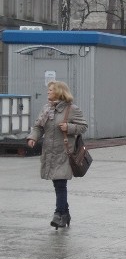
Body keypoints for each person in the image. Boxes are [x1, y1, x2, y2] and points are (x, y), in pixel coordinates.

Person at [26, 81, 88, 228]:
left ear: (59, 92)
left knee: (60, 183)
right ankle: (65, 213)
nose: (48, 92)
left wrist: (69, 127)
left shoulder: (71, 109)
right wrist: (33, 137)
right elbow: (38, 126)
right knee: (57, 183)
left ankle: (59, 214)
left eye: (51, 90)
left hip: (64, 152)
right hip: (49, 152)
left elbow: (83, 126)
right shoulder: (46, 109)